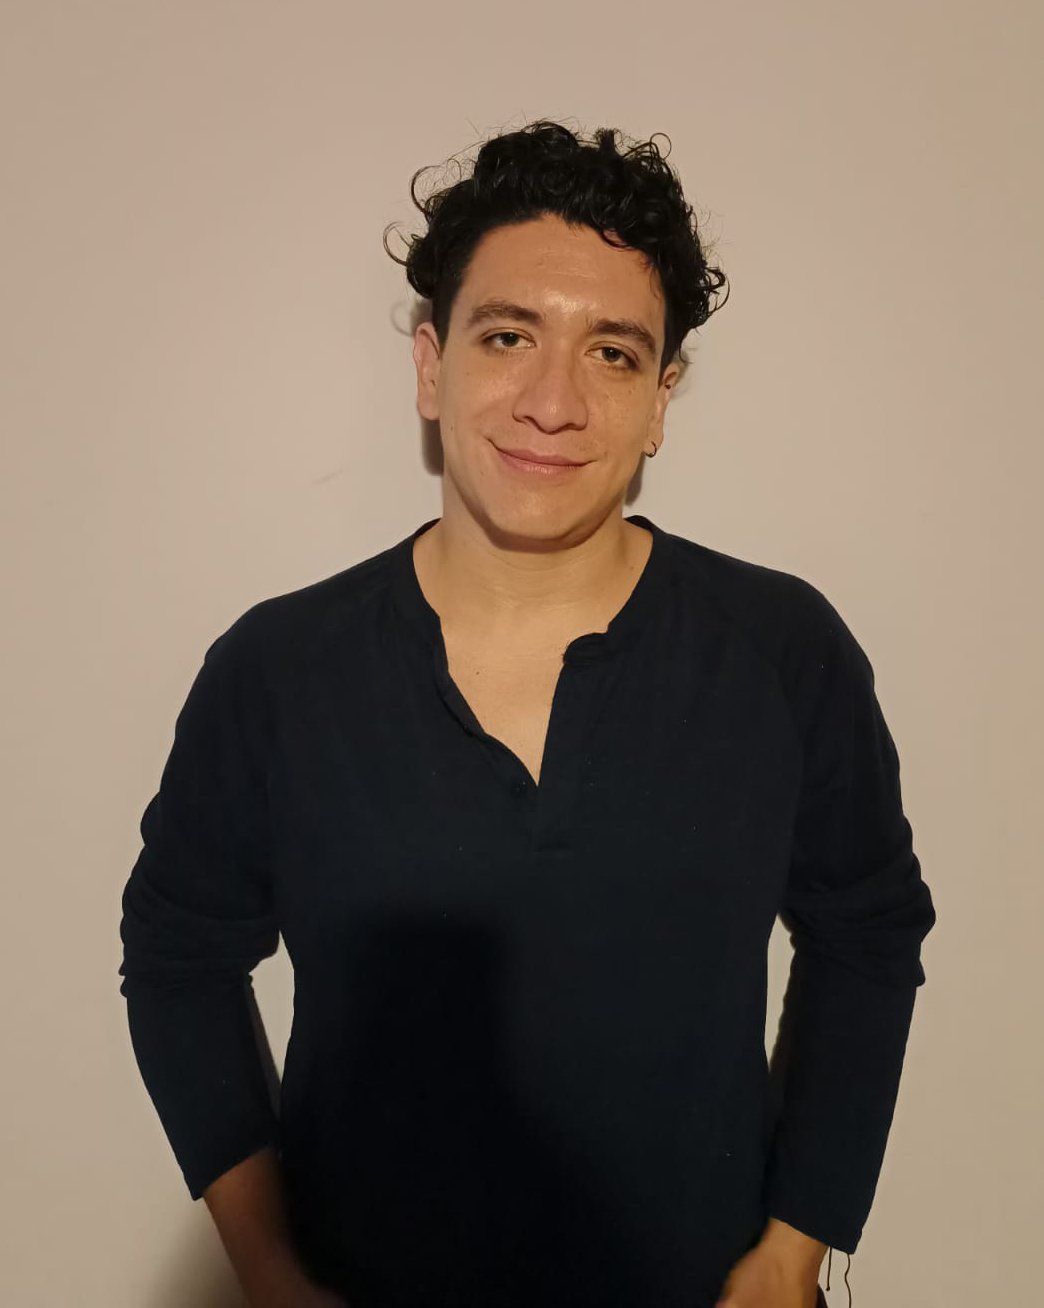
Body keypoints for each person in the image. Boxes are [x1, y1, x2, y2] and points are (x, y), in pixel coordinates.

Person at [119, 120, 936, 1308]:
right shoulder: (278, 671)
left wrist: (792, 1252)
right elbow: (178, 957)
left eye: (612, 353)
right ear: (431, 366)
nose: (553, 402)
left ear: (660, 402)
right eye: (508, 337)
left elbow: (868, 936)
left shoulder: (781, 652)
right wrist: (270, 1271)